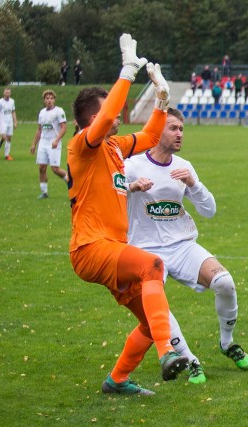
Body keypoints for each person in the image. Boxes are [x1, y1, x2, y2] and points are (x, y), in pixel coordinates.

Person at [67, 33, 188, 395]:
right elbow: (105, 120)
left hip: (109, 249)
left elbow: (151, 136)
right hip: (92, 247)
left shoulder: (114, 147)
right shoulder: (83, 145)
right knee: (152, 266)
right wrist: (127, 70)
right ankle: (168, 352)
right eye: (109, 110)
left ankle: (117, 380)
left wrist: (163, 99)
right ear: (93, 115)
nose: (117, 114)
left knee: (153, 321)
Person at [124, 107, 248, 384]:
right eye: (173, 128)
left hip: (182, 245)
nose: (179, 133)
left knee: (225, 282)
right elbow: (107, 198)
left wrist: (193, 183)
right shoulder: (132, 165)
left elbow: (209, 210)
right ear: (157, 130)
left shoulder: (183, 166)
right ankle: (191, 361)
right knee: (158, 309)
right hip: (145, 252)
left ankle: (227, 343)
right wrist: (132, 187)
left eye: (181, 129)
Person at [30, 90, 69, 199]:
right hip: (43, 143)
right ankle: (44, 192)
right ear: (44, 100)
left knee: (55, 169)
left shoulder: (59, 111)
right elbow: (39, 130)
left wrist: (56, 140)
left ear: (54, 100)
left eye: (51, 98)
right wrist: (34, 144)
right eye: (47, 98)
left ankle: (71, 182)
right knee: (42, 168)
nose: (49, 100)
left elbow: (64, 127)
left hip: (53, 143)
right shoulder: (42, 112)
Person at [0, 87, 17, 161]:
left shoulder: (12, 101)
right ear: (4, 93)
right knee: (3, 137)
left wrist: (15, 121)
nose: (7, 94)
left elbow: (13, 111)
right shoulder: (0, 102)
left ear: (10, 93)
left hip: (10, 122)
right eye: (6, 93)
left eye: (9, 93)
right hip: (3, 122)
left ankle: (7, 155)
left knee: (9, 138)